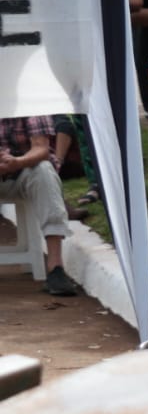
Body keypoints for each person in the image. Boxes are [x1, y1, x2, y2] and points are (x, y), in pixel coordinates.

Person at [0, 116, 79, 296]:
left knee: (44, 170)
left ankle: (55, 267)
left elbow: (41, 149)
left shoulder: (28, 101)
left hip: (20, 173)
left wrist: (16, 162)